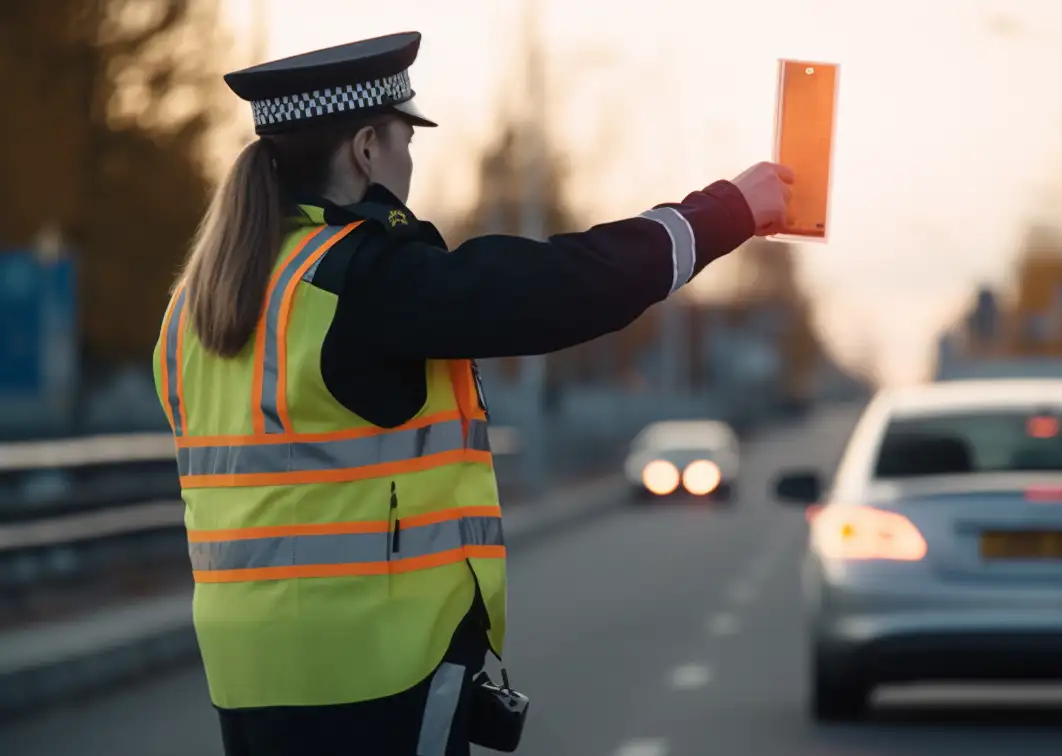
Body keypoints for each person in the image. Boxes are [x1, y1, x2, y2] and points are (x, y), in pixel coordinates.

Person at [151, 30, 793, 756]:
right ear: (367, 149)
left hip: (247, 671)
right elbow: (567, 285)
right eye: (405, 142)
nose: (408, 161)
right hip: (374, 667)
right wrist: (730, 211)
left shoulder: (194, 310)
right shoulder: (360, 281)